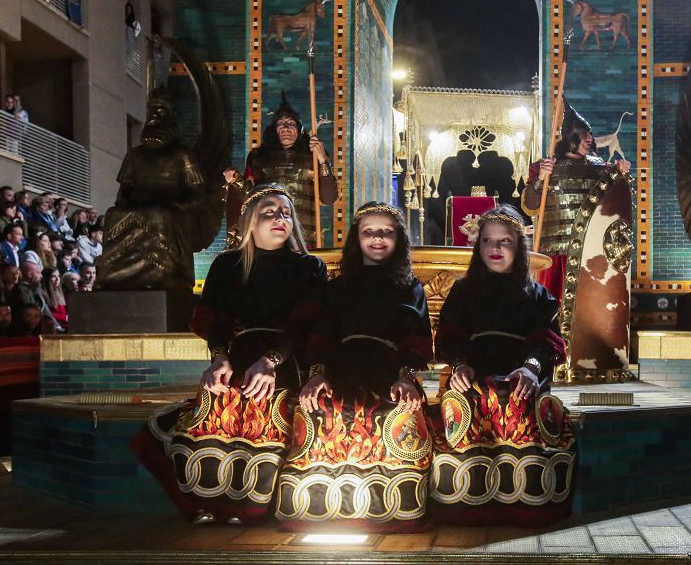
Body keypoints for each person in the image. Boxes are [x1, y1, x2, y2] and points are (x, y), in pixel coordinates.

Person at [136, 185, 328, 525]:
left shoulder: (309, 267)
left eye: (285, 213)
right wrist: (219, 358)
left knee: (261, 404)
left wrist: (271, 361)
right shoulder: (227, 265)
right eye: (268, 212)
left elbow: (305, 324)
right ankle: (208, 501)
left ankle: (248, 506)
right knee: (214, 405)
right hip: (238, 354)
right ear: (250, 223)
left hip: (286, 357)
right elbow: (216, 319)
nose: (279, 218)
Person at [276, 202, 432, 530]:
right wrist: (316, 375)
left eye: (386, 232)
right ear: (356, 239)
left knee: (390, 410)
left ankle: (390, 505)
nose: (378, 238)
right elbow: (321, 335)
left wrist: (405, 378)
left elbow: (416, 338)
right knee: (320, 406)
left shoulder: (410, 287)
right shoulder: (337, 287)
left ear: (399, 239)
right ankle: (319, 504)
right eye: (369, 232)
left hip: (389, 370)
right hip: (342, 368)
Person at [429, 206, 575, 526]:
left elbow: (547, 343)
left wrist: (531, 368)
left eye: (505, 241)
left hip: (519, 373)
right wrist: (459, 365)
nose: (495, 249)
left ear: (518, 247)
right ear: (478, 245)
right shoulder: (463, 291)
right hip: (475, 372)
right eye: (487, 241)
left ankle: (525, 503)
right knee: (471, 400)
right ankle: (467, 504)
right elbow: (450, 337)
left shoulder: (538, 296)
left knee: (515, 401)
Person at [521, 102, 633, 380]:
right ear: (569, 136)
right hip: (553, 250)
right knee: (551, 309)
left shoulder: (600, 167)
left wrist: (620, 173)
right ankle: (548, 361)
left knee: (588, 312)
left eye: (590, 135)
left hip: (590, 254)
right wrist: (540, 181)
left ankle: (585, 363)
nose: (589, 140)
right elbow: (530, 206)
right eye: (584, 135)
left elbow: (613, 202)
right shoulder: (545, 166)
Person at [226, 93, 338, 247]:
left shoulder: (313, 157)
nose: (286, 127)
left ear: (299, 130)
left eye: (291, 123)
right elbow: (249, 195)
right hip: (267, 234)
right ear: (274, 129)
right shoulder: (259, 157)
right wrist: (235, 179)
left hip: (304, 238)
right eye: (281, 123)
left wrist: (323, 160)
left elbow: (329, 198)